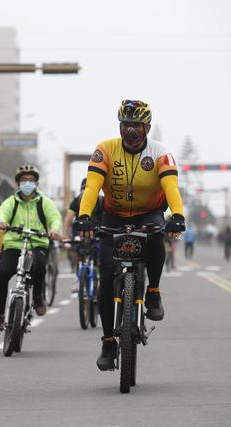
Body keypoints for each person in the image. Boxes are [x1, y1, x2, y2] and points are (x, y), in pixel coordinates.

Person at [75, 100, 185, 371]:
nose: (130, 131)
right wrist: (85, 216)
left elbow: (170, 186)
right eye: (125, 125)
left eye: (136, 125)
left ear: (147, 127)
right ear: (119, 126)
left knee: (157, 239)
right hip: (113, 217)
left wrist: (178, 216)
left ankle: (154, 292)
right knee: (105, 279)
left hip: (149, 214)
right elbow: (92, 186)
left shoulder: (161, 153)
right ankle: (108, 341)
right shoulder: (105, 149)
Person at [0, 165, 62, 331]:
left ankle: (37, 297)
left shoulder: (44, 202)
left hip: (37, 244)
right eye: (23, 180)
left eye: (31, 180)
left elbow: (55, 218)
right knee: (2, 275)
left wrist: (54, 230)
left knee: (40, 264)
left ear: (37, 183)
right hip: (14, 244)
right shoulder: (11, 201)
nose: (27, 183)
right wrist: (1, 222)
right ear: (18, 183)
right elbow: (1, 213)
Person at [62, 178, 103, 290]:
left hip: (98, 233)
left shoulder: (101, 201)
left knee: (101, 257)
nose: (86, 191)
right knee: (76, 253)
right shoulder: (76, 201)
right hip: (80, 233)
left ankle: (100, 278)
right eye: (83, 188)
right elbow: (68, 218)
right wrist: (64, 235)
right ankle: (78, 278)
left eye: (88, 189)